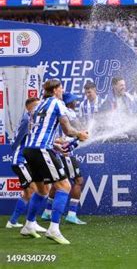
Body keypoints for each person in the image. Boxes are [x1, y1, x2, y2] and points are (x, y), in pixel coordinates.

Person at [21, 79, 88, 244]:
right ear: (56, 90)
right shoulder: (58, 104)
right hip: (42, 149)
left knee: (43, 191)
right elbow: (67, 129)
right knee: (64, 186)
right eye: (61, 88)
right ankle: (54, 229)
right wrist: (79, 134)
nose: (62, 91)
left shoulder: (39, 105)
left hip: (30, 150)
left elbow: (37, 131)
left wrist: (55, 146)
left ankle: (29, 225)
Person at [42, 92, 87, 225]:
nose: (76, 103)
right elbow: (77, 129)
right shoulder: (69, 112)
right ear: (69, 103)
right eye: (74, 101)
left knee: (58, 184)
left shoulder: (57, 112)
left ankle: (47, 212)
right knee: (78, 181)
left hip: (57, 151)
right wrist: (83, 133)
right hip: (66, 153)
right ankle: (71, 215)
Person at [6, 97, 44, 231]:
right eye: (36, 106)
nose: (39, 108)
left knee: (28, 191)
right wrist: (16, 149)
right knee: (34, 189)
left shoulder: (32, 121)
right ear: (29, 107)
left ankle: (13, 221)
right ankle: (31, 222)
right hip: (20, 160)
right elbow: (16, 141)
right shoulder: (27, 120)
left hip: (23, 161)